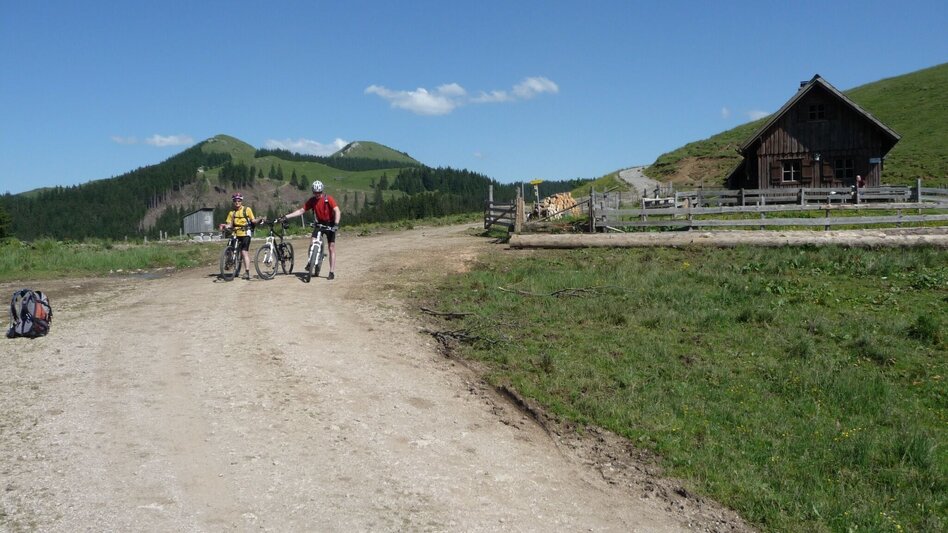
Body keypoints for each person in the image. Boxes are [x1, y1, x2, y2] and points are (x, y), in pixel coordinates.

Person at [281, 180, 341, 280]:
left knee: (331, 247)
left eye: (319, 192)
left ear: (322, 191)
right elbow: (301, 211)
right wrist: (286, 216)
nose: (317, 194)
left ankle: (331, 272)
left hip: (330, 223)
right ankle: (310, 261)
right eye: (315, 192)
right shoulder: (312, 201)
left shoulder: (328, 199)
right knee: (312, 242)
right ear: (313, 192)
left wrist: (336, 224)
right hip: (319, 223)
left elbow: (337, 211)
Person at [219, 193, 264, 280]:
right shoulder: (231, 213)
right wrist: (224, 226)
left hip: (245, 233)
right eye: (235, 201)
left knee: (244, 252)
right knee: (229, 248)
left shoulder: (247, 210)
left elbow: (253, 220)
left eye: (239, 200)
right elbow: (230, 224)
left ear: (241, 201)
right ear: (233, 202)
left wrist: (259, 220)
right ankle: (229, 262)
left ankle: (247, 272)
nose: (237, 202)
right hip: (235, 233)